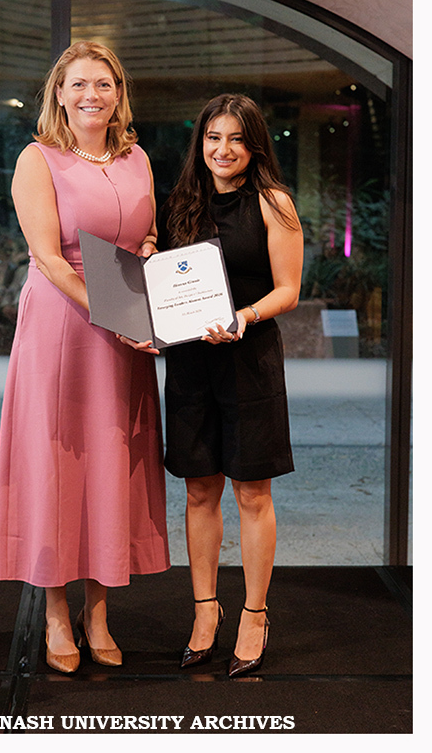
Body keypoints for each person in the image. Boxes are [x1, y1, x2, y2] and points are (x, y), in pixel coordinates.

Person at [0, 41, 170, 674]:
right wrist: (117, 314)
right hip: (63, 326)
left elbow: (145, 233)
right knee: (58, 463)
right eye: (79, 84)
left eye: (104, 83)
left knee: (111, 461)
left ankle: (100, 612)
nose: (92, 94)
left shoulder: (137, 158)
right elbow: (46, 256)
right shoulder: (36, 159)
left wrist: (150, 259)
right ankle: (56, 615)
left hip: (123, 327)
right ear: (59, 95)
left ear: (119, 94)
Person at [159, 93, 303, 678]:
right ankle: (204, 609)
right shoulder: (177, 205)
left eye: (236, 139)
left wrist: (244, 316)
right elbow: (160, 278)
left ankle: (255, 614)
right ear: (201, 143)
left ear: (254, 145)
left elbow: (288, 289)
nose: (223, 149)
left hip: (249, 360)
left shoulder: (274, 203)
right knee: (198, 490)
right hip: (190, 364)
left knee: (252, 494)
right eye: (214, 138)